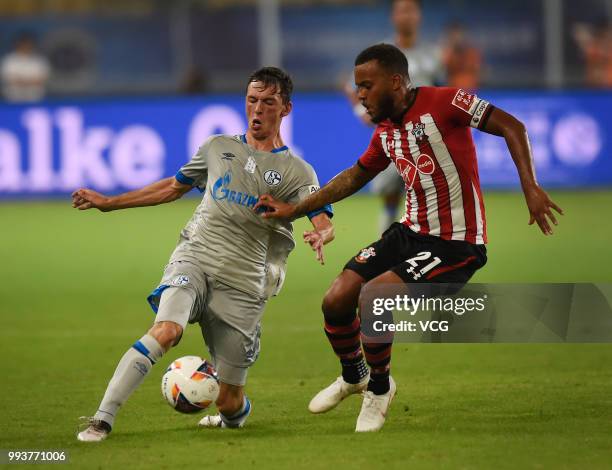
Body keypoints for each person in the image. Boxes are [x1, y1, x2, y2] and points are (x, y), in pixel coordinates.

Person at [255, 44, 563, 432]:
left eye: (367, 86)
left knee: (376, 296)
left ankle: (380, 389)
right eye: (357, 87)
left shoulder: (448, 102)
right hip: (409, 232)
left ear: (396, 82)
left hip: (457, 245)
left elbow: (511, 126)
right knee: (337, 298)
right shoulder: (385, 132)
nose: (361, 95)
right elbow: (354, 176)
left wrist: (531, 188)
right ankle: (355, 375)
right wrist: (294, 210)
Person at [72, 67, 334, 441]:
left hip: (244, 283)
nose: (257, 109)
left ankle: (230, 416)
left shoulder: (296, 171)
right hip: (196, 256)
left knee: (228, 402)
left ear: (286, 108)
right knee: (166, 330)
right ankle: (102, 419)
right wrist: (110, 203)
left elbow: (322, 215)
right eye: (252, 100)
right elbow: (172, 187)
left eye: (268, 102)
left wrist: (323, 233)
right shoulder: (217, 148)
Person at [344, 0, 444, 235]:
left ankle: (429, 248)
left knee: (430, 198)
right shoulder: (382, 54)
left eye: (410, 10)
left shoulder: (433, 55)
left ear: (419, 16)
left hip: (425, 140)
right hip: (393, 138)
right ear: (393, 17)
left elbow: (442, 92)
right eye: (401, 11)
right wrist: (362, 111)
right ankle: (386, 246)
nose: (406, 16)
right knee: (390, 197)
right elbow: (351, 85)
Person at [1, 32, 50, 102]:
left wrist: (22, 81)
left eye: (29, 44)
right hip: (12, 99)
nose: (26, 46)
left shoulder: (39, 60)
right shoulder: (9, 60)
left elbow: (43, 79)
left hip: (35, 99)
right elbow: (9, 79)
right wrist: (30, 81)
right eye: (24, 44)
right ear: (18, 44)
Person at [442, 22, 482, 91]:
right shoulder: (447, 53)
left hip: (470, 92)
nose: (456, 37)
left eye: (458, 34)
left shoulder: (472, 53)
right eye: (452, 35)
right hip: (453, 92)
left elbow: (479, 72)